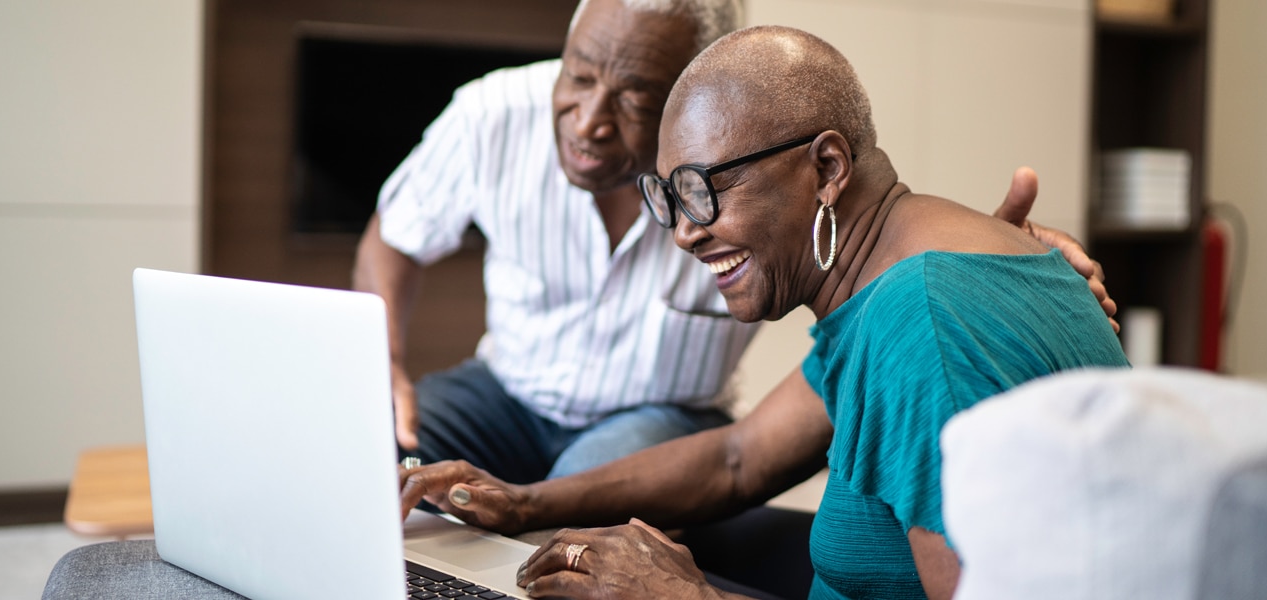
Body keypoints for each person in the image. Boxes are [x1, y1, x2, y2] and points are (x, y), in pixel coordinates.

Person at [396, 26, 1131, 600]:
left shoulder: (920, 318)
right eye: (671, 197)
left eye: (705, 189)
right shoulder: (892, 290)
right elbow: (738, 457)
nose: (684, 230)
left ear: (827, 169)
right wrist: (523, 504)